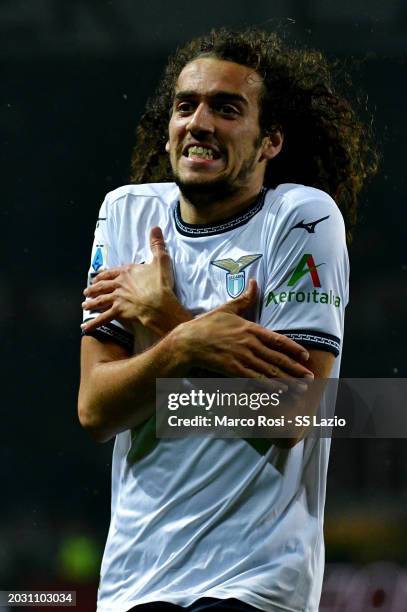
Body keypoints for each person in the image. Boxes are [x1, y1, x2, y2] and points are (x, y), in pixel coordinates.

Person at [78, 28, 377, 612]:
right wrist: (191, 343)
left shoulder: (303, 219)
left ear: (271, 141)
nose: (199, 122)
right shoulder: (125, 214)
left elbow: (291, 414)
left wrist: (167, 319)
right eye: (185, 105)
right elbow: (95, 408)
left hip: (254, 582)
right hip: (132, 586)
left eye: (227, 108)